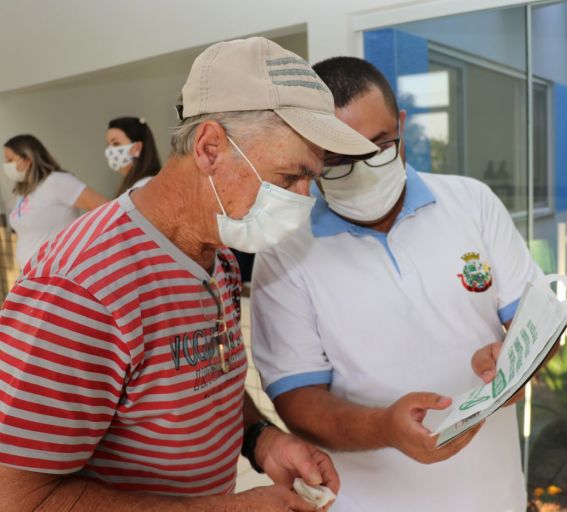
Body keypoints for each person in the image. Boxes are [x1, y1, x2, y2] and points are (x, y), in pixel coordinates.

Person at [0, 37, 378, 512]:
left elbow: (200, 380)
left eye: (311, 181)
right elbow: (19, 499)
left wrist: (262, 440)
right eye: (288, 178)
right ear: (209, 147)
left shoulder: (214, 253)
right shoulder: (83, 287)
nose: (305, 200)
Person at [249, 56, 543, 512]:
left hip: (496, 495)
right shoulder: (284, 253)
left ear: (401, 125)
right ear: (309, 154)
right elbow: (297, 399)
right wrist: (385, 427)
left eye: (380, 145)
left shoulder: (472, 203)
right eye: (339, 159)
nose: (365, 170)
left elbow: (536, 319)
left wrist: (524, 355)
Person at [3, 134, 108, 268]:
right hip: (30, 276)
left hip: (56, 274)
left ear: (28, 159)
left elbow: (104, 207)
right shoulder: (24, 190)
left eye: (10, 159)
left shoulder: (57, 181)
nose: (6, 165)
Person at [106, 116, 163, 195]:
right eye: (108, 144)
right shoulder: (133, 185)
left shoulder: (144, 186)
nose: (109, 150)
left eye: (116, 143)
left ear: (137, 148)